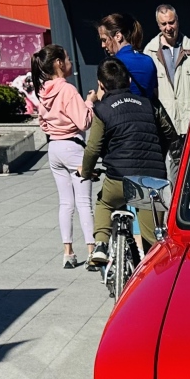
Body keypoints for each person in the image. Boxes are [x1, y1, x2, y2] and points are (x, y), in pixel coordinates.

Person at [80, 59, 168, 268]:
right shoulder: (149, 104)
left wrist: (86, 172)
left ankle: (101, 245)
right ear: (129, 80)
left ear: (101, 84)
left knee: (104, 202)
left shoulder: (102, 109)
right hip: (151, 179)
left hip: (118, 178)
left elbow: (93, 148)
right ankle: (153, 269)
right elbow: (167, 134)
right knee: (152, 238)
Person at [31, 44, 96, 269]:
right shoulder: (67, 90)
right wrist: (90, 102)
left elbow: (42, 122)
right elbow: (84, 122)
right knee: (84, 202)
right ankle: (92, 251)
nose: (69, 62)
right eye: (67, 58)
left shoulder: (43, 91)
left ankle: (68, 252)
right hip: (73, 147)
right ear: (58, 63)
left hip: (54, 148)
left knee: (65, 202)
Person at [144, 4, 190, 140]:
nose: (168, 28)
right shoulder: (149, 52)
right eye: (164, 24)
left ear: (177, 21)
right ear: (158, 25)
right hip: (164, 128)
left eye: (171, 22)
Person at [94, 13, 158, 104]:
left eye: (104, 40)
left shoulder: (112, 64)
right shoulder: (148, 61)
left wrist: (91, 101)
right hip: (147, 111)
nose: (103, 45)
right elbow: (155, 93)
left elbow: (101, 99)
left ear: (118, 36)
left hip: (121, 111)